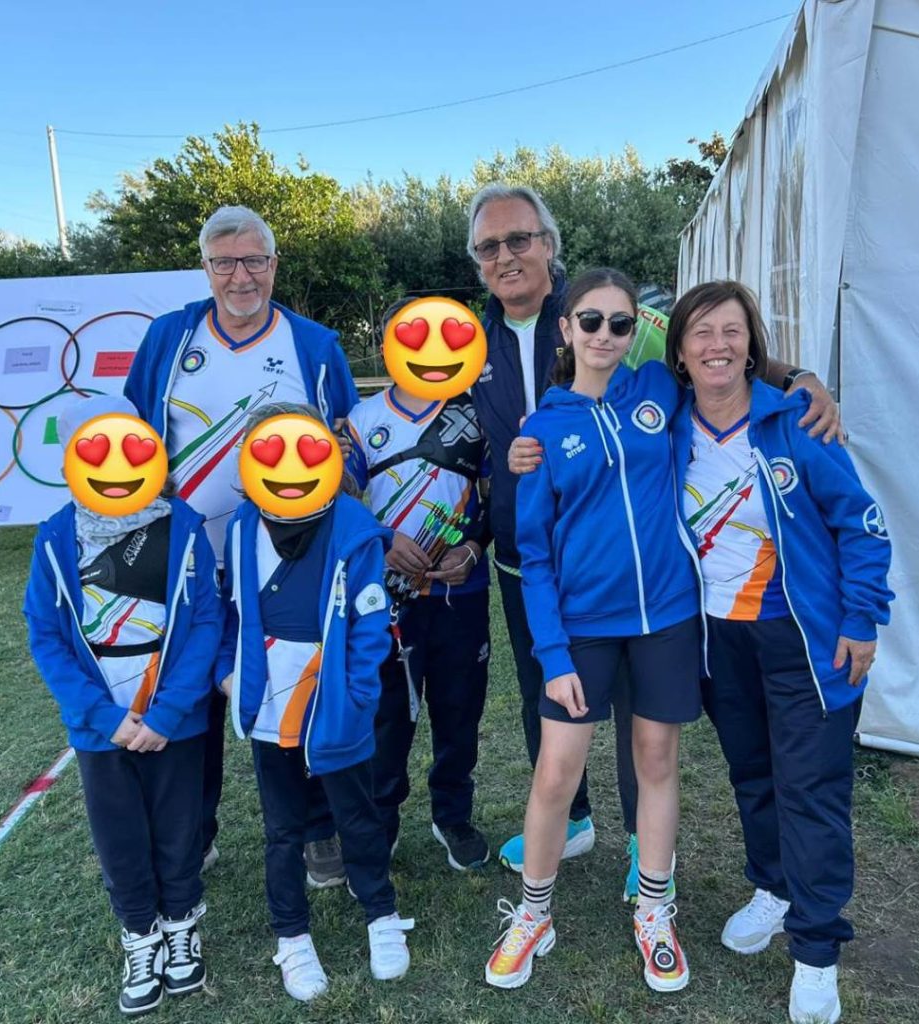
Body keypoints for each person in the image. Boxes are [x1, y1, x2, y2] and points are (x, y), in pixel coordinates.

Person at [466, 183, 842, 896]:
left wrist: (799, 376)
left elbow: (711, 354)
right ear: (478, 262)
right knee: (550, 698)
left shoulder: (618, 320)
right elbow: (443, 422)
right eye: (489, 246)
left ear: (548, 245)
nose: (506, 256)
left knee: (645, 725)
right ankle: (573, 823)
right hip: (531, 561)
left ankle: (647, 850)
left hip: (646, 589)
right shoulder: (465, 339)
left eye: (519, 239)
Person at [666, 280, 894, 1024]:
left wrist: (862, 618)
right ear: (680, 351)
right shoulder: (664, 427)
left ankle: (816, 949)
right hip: (718, 641)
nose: (717, 346)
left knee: (811, 790)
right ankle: (772, 885)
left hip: (804, 638)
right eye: (702, 333)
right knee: (753, 775)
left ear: (752, 345)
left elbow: (861, 523)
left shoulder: (796, 420)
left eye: (731, 331)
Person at [124, 205, 358, 883]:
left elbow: (346, 447)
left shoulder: (314, 345)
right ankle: (191, 834)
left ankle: (318, 829)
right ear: (205, 268)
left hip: (287, 560)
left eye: (254, 260)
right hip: (186, 562)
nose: (241, 276)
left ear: (274, 264)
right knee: (189, 696)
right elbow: (135, 436)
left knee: (297, 686)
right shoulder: (169, 338)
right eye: (224, 262)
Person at [485, 269, 702, 993]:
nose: (605, 334)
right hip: (581, 629)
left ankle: (655, 909)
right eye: (591, 321)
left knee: (656, 761)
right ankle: (533, 914)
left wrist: (802, 384)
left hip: (666, 617)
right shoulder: (542, 431)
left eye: (620, 323)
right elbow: (536, 556)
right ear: (566, 328)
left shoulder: (658, 389)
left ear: (635, 329)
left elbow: (726, 367)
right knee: (556, 771)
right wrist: (552, 654)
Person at [23, 395, 223, 1017]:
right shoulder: (56, 537)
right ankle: (140, 934)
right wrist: (104, 718)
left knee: (180, 827)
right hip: (100, 726)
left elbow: (207, 620)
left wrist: (168, 713)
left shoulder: (182, 525)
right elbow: (46, 635)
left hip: (173, 720)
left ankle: (181, 925)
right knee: (120, 837)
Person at [216, 402, 413, 1002]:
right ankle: (292, 936)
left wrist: (356, 697)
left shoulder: (352, 526)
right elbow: (232, 613)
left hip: (335, 701)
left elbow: (370, 626)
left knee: (357, 814)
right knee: (283, 828)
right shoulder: (242, 527)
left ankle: (381, 914)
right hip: (270, 700)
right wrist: (230, 676)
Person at [344, 299, 492, 871]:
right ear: (388, 346)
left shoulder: (476, 413)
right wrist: (380, 539)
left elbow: (497, 500)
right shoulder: (359, 420)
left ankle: (452, 815)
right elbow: (337, 504)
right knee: (386, 717)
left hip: (460, 595)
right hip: (386, 600)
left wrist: (473, 546)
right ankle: (381, 819)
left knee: (459, 712)